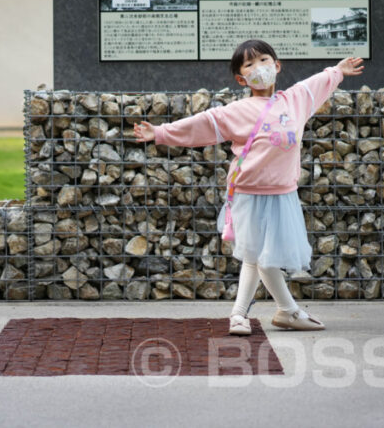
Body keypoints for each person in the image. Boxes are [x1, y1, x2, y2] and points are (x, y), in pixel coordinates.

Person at [134, 39, 364, 335]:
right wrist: (161, 132)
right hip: (249, 194)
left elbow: (317, 82)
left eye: (264, 60)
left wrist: (338, 71)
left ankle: (270, 312)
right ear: (241, 78)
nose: (259, 68)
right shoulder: (237, 110)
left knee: (258, 257)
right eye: (249, 64)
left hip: (282, 194)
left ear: (277, 66)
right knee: (260, 257)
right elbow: (201, 123)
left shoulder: (296, 100)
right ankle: (272, 312)